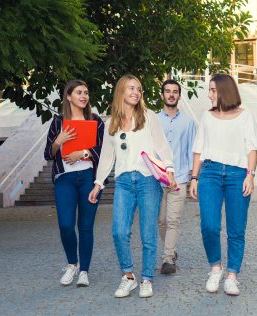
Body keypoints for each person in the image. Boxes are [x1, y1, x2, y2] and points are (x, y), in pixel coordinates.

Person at [88, 74, 176, 299]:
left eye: (139, 89)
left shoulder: (149, 117)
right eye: (131, 88)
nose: (136, 92)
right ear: (121, 92)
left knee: (148, 234)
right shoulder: (111, 124)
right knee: (119, 231)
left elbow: (163, 147)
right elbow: (107, 158)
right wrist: (98, 184)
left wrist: (170, 170)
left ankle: (147, 278)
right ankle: (128, 276)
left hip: (148, 180)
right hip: (124, 182)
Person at [189, 74, 257, 296]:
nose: (209, 94)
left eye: (213, 90)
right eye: (209, 90)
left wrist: (250, 175)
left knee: (236, 228)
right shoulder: (206, 116)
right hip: (210, 173)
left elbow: (252, 148)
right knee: (209, 225)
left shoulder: (245, 116)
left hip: (237, 174)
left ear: (225, 91)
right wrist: (194, 177)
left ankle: (232, 275)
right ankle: (215, 267)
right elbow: (199, 149)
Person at [44, 79, 105, 287]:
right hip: (65, 180)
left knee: (86, 226)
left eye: (86, 92)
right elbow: (48, 154)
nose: (83, 96)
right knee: (66, 225)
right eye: (78, 92)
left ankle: (84, 271)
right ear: (68, 96)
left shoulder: (96, 121)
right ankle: (72, 264)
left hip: (88, 177)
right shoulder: (58, 122)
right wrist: (58, 141)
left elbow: (104, 152)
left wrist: (83, 152)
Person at [157, 79, 197, 275]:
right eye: (168, 91)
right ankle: (170, 249)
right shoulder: (153, 121)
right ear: (162, 94)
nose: (171, 94)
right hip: (157, 179)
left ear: (179, 95)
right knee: (161, 221)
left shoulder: (189, 123)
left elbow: (192, 150)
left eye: (175, 91)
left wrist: (192, 178)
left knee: (173, 221)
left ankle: (168, 258)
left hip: (179, 178)